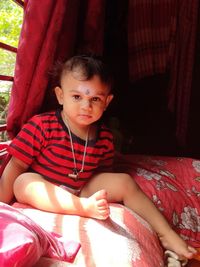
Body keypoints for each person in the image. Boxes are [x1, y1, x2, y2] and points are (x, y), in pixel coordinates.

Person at [0, 55, 197, 260]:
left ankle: (167, 234)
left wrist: (107, 189)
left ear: (107, 101)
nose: (86, 106)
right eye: (77, 97)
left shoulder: (104, 137)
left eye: (95, 99)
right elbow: (16, 166)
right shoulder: (41, 126)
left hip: (81, 187)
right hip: (46, 187)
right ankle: (83, 208)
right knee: (23, 182)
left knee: (124, 181)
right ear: (60, 95)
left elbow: (102, 173)